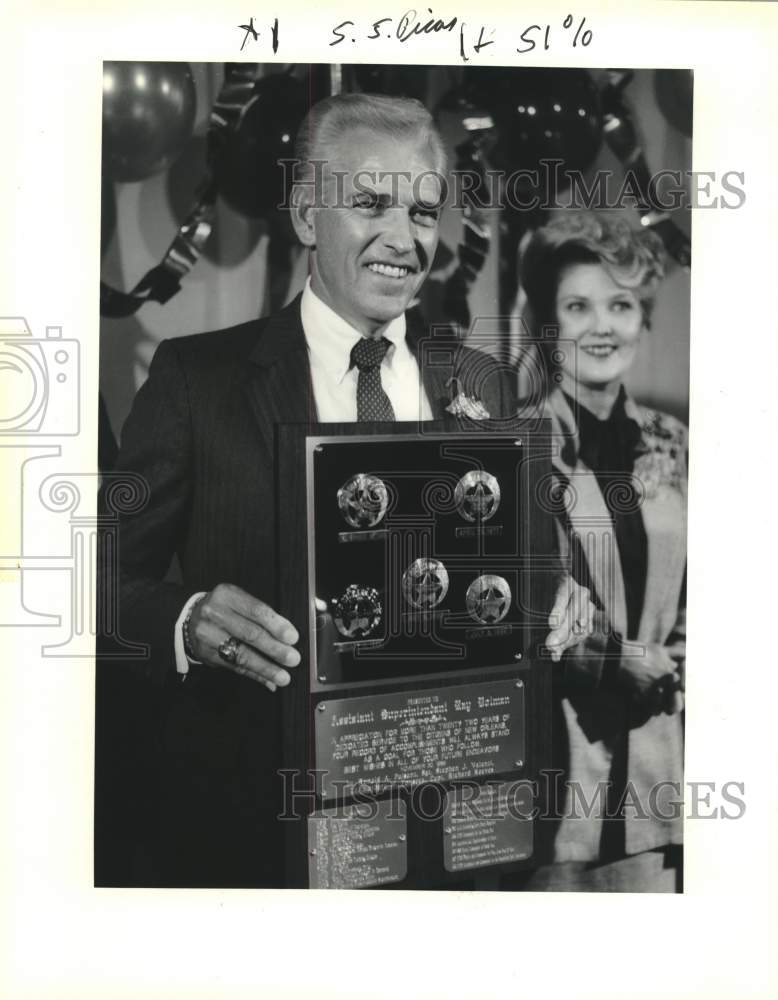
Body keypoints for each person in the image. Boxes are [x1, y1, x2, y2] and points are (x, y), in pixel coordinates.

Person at [96, 93, 594, 888]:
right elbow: (96, 583)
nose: (404, 239)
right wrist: (186, 621)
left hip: (451, 835)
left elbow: (537, 565)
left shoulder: (483, 383)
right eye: (370, 204)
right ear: (304, 216)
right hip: (260, 829)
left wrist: (562, 591)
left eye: (424, 213)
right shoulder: (199, 381)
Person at [510, 211, 686, 892]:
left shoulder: (675, 444)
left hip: (658, 778)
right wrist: (614, 661)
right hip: (558, 780)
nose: (602, 326)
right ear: (549, 328)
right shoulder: (516, 446)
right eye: (578, 306)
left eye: (621, 305)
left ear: (643, 317)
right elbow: (515, 616)